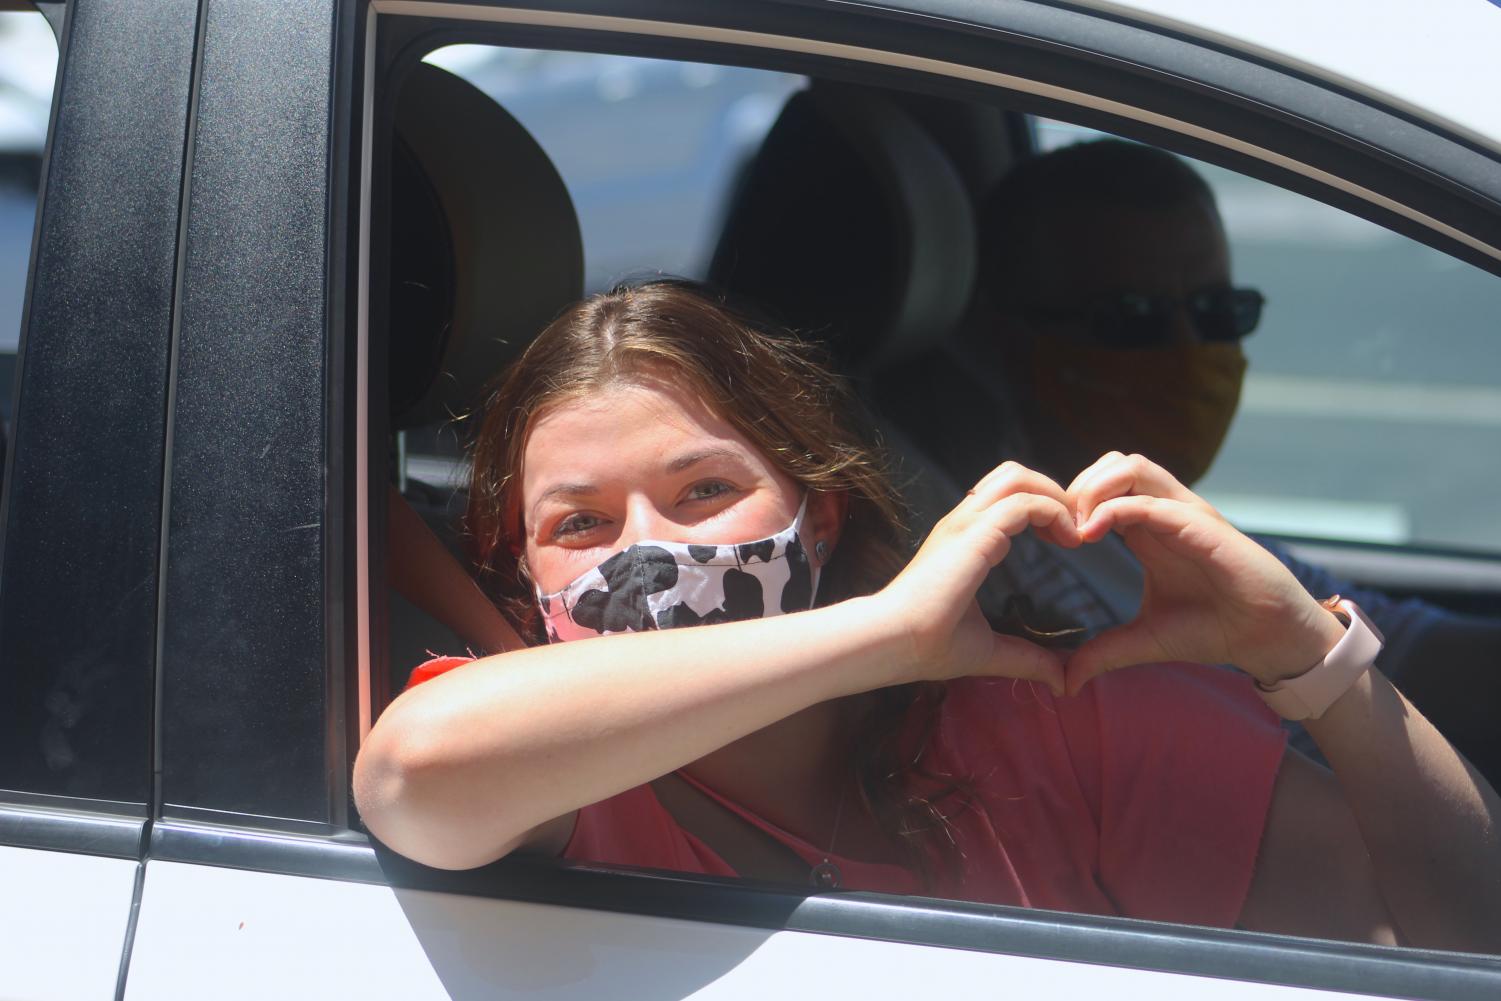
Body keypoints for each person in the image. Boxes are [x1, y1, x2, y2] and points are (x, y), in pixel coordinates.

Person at [356, 280, 1501, 952]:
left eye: (706, 490)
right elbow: (411, 780)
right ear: (521, 575)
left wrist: (1313, 658)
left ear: (816, 517)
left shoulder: (1052, 718)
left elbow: (1455, 926)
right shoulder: (555, 776)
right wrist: (884, 634)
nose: (655, 550)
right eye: (581, 524)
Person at [944, 138, 1500, 761]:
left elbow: (1405, 647)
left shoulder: (1181, 529)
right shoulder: (1021, 596)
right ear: (1008, 336)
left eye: (1216, 311)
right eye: (1131, 317)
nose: (1189, 350)